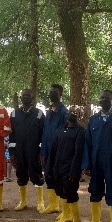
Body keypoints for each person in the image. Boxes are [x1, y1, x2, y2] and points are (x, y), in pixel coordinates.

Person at [82, 90, 112, 222]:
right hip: (95, 161)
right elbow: (88, 143)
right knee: (95, 189)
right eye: (102, 98)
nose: (104, 100)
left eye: (107, 98)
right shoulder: (93, 120)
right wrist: (87, 164)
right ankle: (95, 221)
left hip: (111, 162)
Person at [45, 106, 86, 222]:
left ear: (79, 116)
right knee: (60, 190)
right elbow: (53, 148)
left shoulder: (80, 131)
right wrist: (49, 165)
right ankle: (66, 215)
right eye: (70, 112)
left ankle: (77, 220)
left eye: (75, 113)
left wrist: (74, 171)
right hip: (58, 165)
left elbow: (78, 153)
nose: (72, 114)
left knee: (70, 192)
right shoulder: (61, 128)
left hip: (70, 167)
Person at [9, 89, 46, 212]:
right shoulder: (14, 114)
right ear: (20, 98)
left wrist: (41, 152)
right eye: (24, 95)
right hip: (19, 151)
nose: (26, 97)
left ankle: (40, 203)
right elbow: (12, 135)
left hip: (34, 151)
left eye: (28, 96)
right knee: (21, 174)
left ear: (32, 98)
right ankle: (23, 202)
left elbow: (43, 135)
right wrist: (12, 153)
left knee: (36, 175)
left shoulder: (39, 114)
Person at [41, 84, 68, 214]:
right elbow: (45, 132)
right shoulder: (49, 111)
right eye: (50, 92)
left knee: (59, 178)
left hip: (58, 151)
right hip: (47, 150)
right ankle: (53, 205)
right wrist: (43, 151)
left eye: (55, 92)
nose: (52, 94)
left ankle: (65, 210)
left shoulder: (63, 112)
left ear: (60, 93)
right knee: (48, 175)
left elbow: (64, 132)